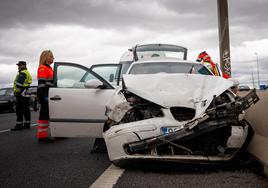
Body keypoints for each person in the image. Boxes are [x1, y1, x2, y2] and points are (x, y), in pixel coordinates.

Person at [37, 50, 54, 143]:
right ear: (46, 57)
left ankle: (57, 133)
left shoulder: (50, 68)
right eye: (51, 56)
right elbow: (41, 84)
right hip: (44, 93)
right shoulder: (43, 68)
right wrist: (44, 97)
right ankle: (42, 137)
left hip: (49, 93)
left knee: (48, 114)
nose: (53, 58)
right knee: (44, 115)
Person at [11, 61, 32, 131]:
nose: (18, 67)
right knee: (26, 109)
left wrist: (16, 92)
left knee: (19, 109)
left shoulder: (22, 73)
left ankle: (19, 124)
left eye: (19, 65)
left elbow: (18, 85)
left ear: (23, 66)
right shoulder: (27, 72)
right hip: (25, 92)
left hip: (21, 93)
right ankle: (27, 123)